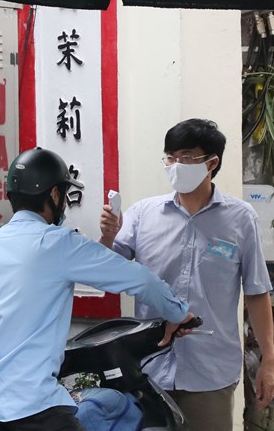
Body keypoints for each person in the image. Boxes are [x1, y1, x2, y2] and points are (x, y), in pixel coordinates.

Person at [0, 147, 194, 431]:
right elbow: (140, 280)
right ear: (54, 195)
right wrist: (178, 313)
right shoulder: (59, 244)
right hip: (33, 411)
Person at [99, 118, 274, 431]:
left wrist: (269, 361)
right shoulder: (143, 214)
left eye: (187, 158)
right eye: (171, 157)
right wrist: (108, 237)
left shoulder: (240, 218)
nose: (176, 165)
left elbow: (257, 292)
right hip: (147, 368)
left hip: (210, 373)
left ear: (212, 163)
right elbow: (109, 271)